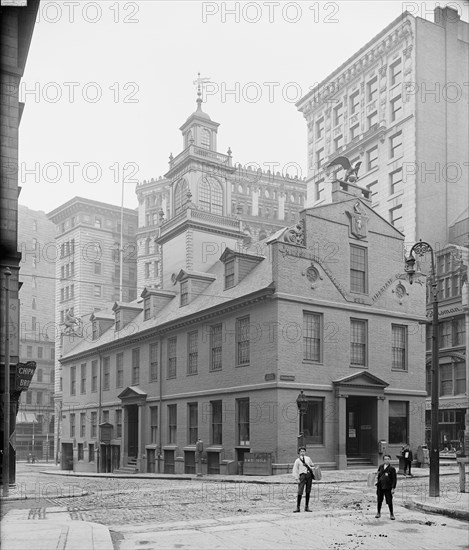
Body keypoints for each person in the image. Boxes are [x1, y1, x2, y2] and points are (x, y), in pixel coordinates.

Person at [292, 446, 315, 513]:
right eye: (301, 451)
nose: (302, 453)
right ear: (299, 452)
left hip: (308, 475)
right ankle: (298, 507)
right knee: (300, 491)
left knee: (308, 491)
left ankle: (306, 507)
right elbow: (295, 470)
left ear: (305, 452)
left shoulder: (308, 458)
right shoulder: (297, 460)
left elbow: (312, 465)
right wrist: (296, 478)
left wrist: (312, 468)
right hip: (302, 476)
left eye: (303, 451)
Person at [375, 454, 397, 520]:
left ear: (390, 460)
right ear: (383, 460)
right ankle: (378, 512)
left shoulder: (392, 469)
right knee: (379, 500)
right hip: (380, 486)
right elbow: (378, 475)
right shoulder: (381, 466)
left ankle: (391, 513)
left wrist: (393, 488)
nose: (386, 460)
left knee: (389, 500)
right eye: (385, 459)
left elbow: (394, 479)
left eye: (388, 459)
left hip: (388, 487)